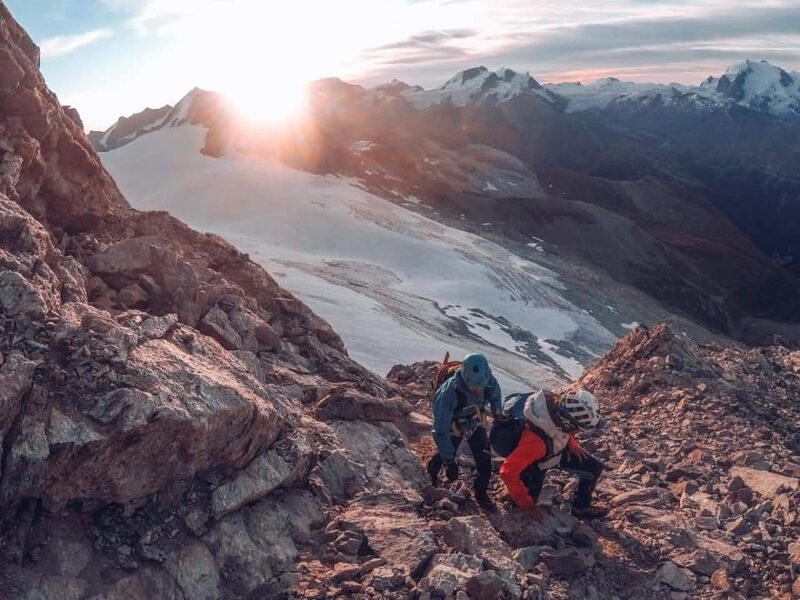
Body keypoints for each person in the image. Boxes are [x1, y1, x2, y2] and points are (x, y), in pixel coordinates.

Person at [498, 388, 605, 519]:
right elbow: (507, 472)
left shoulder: (556, 407)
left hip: (553, 448)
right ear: (568, 425)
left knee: (593, 467)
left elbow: (562, 431)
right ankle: (513, 498)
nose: (578, 433)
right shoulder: (536, 443)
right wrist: (526, 504)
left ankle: (580, 508)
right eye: (578, 429)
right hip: (535, 463)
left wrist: (572, 445)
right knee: (523, 505)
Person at [426, 353, 501, 511]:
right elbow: (440, 432)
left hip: (475, 421)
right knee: (446, 451)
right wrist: (450, 462)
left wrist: (497, 414)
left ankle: (480, 492)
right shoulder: (448, 393)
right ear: (465, 380)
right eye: (474, 387)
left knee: (484, 459)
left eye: (480, 386)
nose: (478, 390)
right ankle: (431, 472)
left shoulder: (488, 381)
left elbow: (495, 397)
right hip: (453, 425)